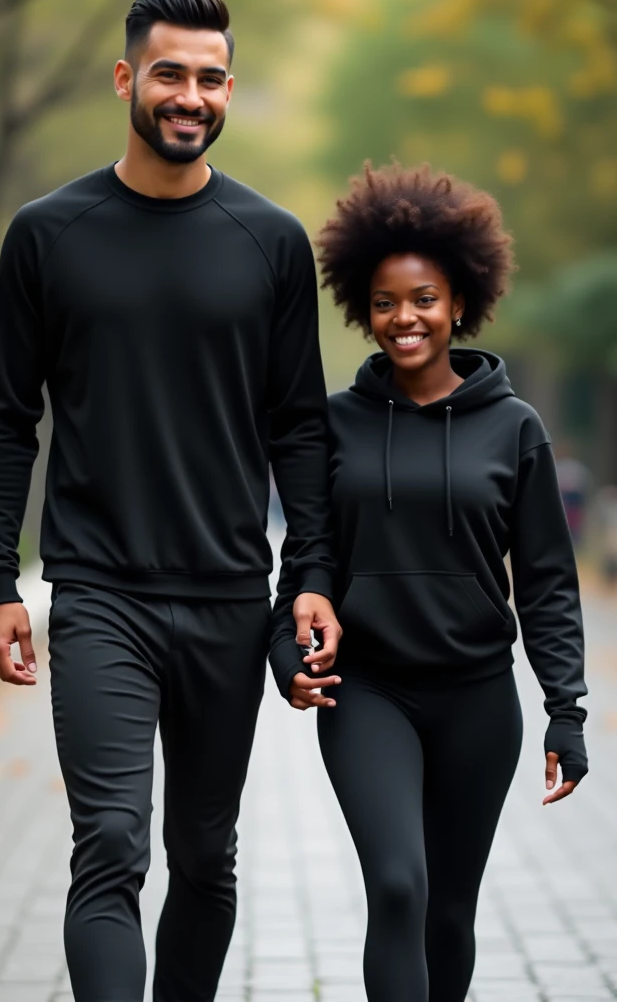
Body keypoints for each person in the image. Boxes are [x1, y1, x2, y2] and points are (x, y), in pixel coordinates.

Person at [0, 0, 340, 1001]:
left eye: (211, 77)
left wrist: (309, 572)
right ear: (128, 78)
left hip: (229, 593)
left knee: (206, 854)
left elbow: (299, 427)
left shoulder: (269, 241)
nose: (191, 95)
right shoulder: (48, 234)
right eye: (171, 73)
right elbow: (8, 417)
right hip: (98, 593)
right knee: (112, 844)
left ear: (229, 88)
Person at [272, 162, 589, 1002]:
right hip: (368, 690)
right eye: (384, 301)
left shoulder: (515, 427)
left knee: (449, 912)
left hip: (478, 700)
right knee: (399, 889)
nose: (403, 317)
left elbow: (549, 582)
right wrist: (285, 652)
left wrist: (568, 710)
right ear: (362, 307)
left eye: (422, 299)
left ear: (459, 304)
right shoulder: (334, 423)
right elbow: (306, 554)